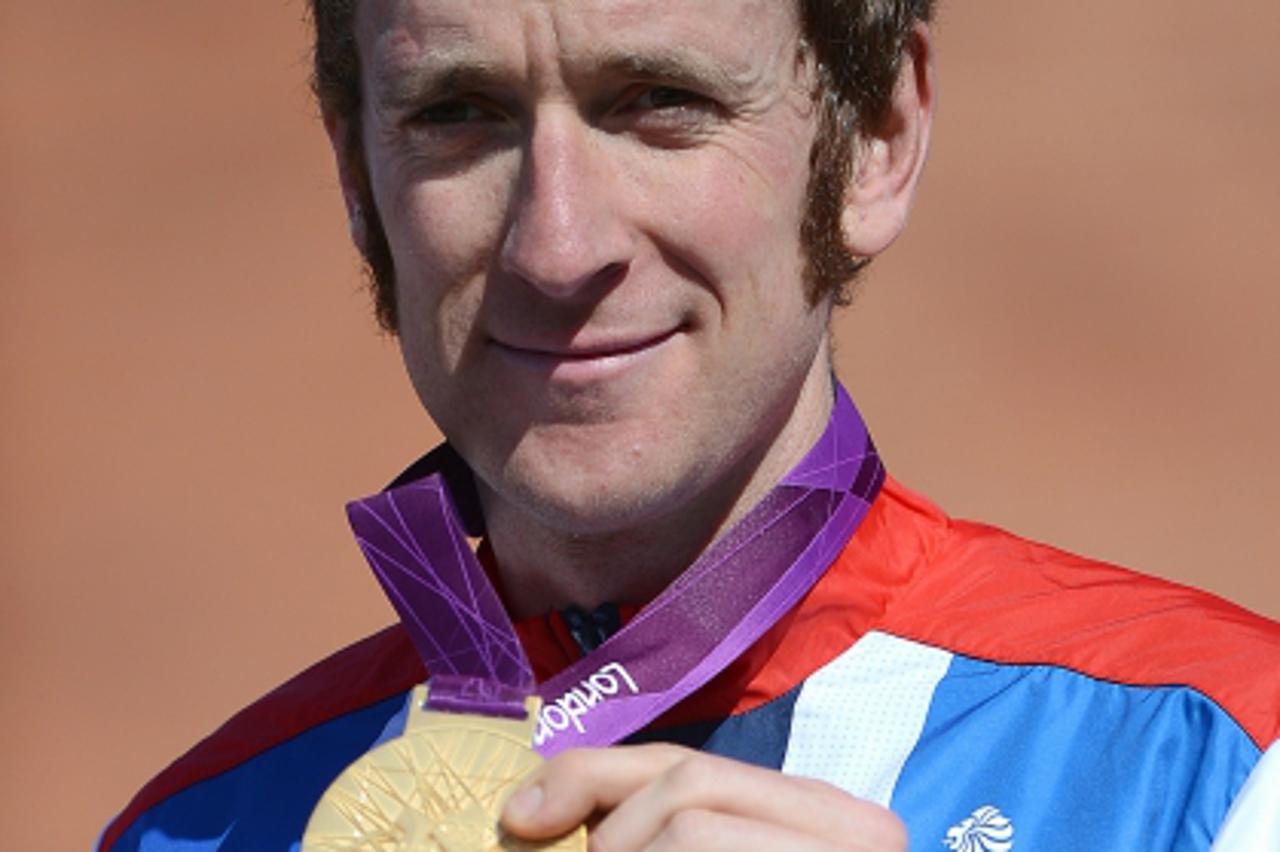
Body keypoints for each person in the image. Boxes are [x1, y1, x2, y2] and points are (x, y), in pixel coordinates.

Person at [100, 0, 1279, 849]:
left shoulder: (1223, 765)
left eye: (659, 102)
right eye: (458, 113)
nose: (556, 247)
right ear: (357, 178)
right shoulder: (196, 831)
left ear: (875, 138)